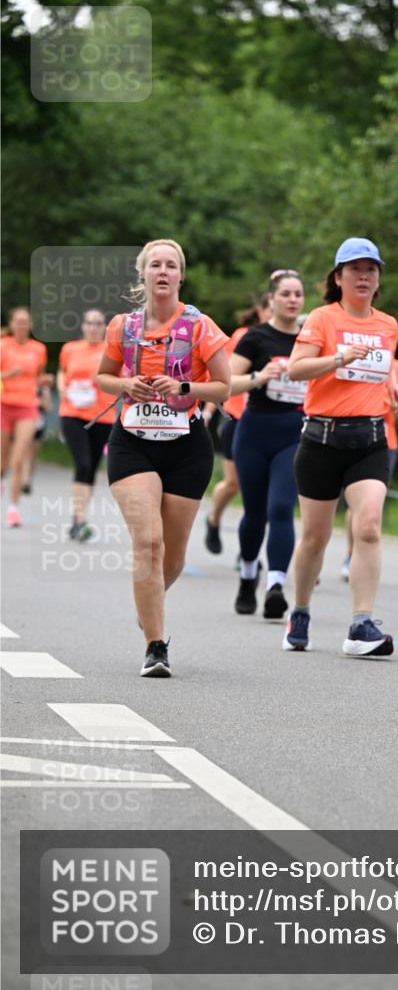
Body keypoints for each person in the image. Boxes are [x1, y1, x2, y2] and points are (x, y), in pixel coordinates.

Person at [96, 239, 230, 677]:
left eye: (171, 265)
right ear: (143, 273)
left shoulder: (200, 326)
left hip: (187, 447)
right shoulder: (124, 326)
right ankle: (155, 645)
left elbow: (224, 387)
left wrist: (184, 387)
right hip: (132, 443)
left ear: (180, 276)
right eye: (155, 264)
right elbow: (103, 377)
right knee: (148, 543)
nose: (163, 271)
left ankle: (149, 601)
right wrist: (125, 385)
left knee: (172, 557)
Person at [284, 237, 398, 655]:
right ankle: (300, 610)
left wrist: (391, 384)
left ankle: (361, 624)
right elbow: (296, 369)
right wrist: (339, 358)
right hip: (322, 440)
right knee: (314, 537)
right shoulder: (322, 319)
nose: (364, 277)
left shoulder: (388, 324)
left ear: (378, 279)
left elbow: (380, 365)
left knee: (367, 526)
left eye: (371, 270)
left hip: (370, 440)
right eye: (355, 269)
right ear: (338, 277)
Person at [230, 270, 306, 618]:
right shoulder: (255, 337)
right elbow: (226, 382)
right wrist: (259, 377)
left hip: (293, 434)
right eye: (285, 294)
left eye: (298, 294)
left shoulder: (310, 340)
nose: (292, 300)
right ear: (271, 299)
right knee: (255, 513)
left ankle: (275, 585)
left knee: (280, 508)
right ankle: (248, 575)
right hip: (254, 433)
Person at [204, 293, 271, 556]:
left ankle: (249, 551)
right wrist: (209, 410)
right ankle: (213, 519)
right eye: (270, 308)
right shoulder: (244, 336)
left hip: (269, 422)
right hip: (237, 418)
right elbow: (224, 378)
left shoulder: (291, 339)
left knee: (263, 491)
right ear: (261, 311)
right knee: (234, 483)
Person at [341, 355, 398, 580]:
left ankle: (364, 558)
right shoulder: (352, 355)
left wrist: (392, 402)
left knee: (371, 505)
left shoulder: (397, 366)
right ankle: (351, 554)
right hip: (352, 438)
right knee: (355, 505)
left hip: (385, 443)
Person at [57, 309, 115, 540]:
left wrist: (100, 379)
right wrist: (62, 387)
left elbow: (120, 379)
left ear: (104, 327)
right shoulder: (70, 349)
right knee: (82, 464)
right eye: (89, 323)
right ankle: (81, 520)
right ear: (83, 326)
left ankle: (77, 518)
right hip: (72, 413)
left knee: (91, 468)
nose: (93, 327)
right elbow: (62, 372)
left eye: (98, 323)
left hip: (102, 416)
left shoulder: (111, 351)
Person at [0, 307, 50, 527]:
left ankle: (13, 509)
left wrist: (44, 382)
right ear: (11, 324)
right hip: (3, 405)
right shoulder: (3, 345)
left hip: (28, 407)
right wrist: (7, 375)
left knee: (18, 459)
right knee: (2, 461)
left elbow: (38, 377)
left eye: (25, 322)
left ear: (30, 325)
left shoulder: (38, 349)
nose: (21, 325)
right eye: (18, 321)